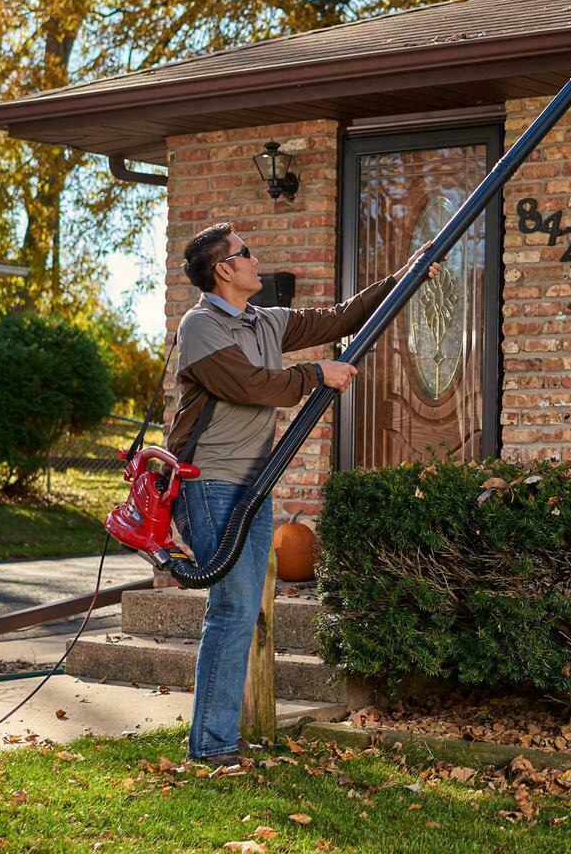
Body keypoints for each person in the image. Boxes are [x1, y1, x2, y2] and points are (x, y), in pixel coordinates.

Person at [167, 220, 441, 764]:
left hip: (253, 485)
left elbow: (340, 317)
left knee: (240, 609)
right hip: (209, 483)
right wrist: (318, 372)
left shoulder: (266, 321)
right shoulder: (200, 327)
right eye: (245, 253)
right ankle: (212, 745)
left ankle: (216, 740)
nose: (254, 259)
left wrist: (409, 273)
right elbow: (249, 385)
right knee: (235, 608)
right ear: (224, 269)